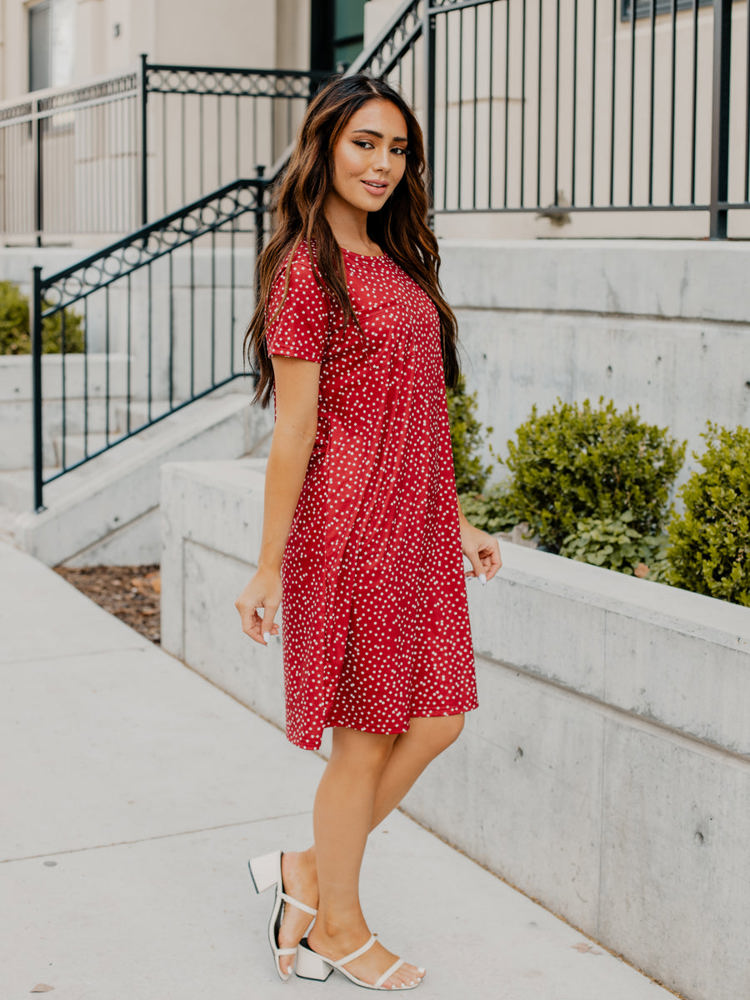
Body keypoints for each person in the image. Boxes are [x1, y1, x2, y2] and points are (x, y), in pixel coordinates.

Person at [235, 72, 502, 992]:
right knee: (362, 738)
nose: (384, 164)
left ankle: (307, 871)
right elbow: (297, 428)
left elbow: (420, 408)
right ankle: (336, 926)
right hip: (349, 528)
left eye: (398, 149)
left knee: (438, 722)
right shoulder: (306, 270)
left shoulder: (397, 260)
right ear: (323, 146)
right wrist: (268, 564)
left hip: (416, 524)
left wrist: (457, 518)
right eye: (366, 144)